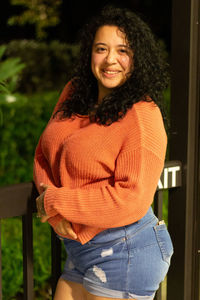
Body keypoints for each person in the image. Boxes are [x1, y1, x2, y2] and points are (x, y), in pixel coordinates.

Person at [33, 5, 173, 300]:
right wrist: (54, 209)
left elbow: (131, 200)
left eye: (123, 50)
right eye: (101, 49)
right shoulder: (74, 93)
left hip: (125, 249)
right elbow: (44, 153)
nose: (111, 60)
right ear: (90, 54)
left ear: (137, 59)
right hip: (81, 246)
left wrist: (56, 200)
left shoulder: (142, 116)